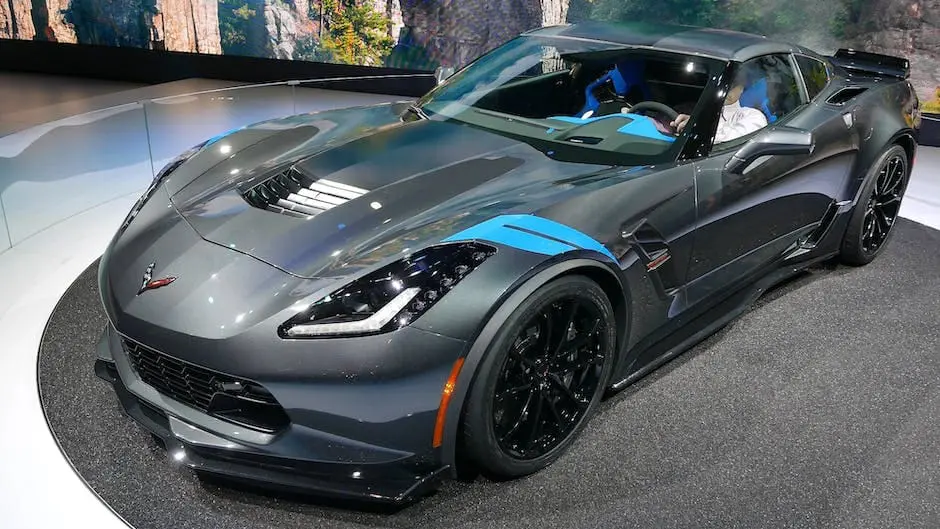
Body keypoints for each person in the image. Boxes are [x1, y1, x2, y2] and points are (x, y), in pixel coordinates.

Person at [670, 74, 768, 144]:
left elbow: (732, 142)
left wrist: (697, 127)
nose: (726, 91)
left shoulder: (752, 116)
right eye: (722, 86)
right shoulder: (689, 110)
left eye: (732, 85)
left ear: (741, 88)